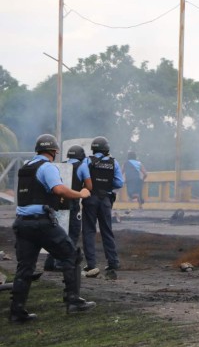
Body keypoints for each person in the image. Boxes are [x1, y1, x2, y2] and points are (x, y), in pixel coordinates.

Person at [10, 134, 96, 322]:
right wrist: (80, 193)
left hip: (22, 223)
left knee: (24, 268)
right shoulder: (47, 167)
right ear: (54, 151)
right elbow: (59, 190)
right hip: (41, 223)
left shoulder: (26, 166)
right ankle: (73, 300)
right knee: (71, 255)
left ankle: (17, 312)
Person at [79, 136, 124, 279]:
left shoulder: (87, 161)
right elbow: (119, 183)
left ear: (93, 149)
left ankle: (91, 264)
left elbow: (80, 177)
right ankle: (113, 262)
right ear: (106, 149)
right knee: (107, 230)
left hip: (90, 199)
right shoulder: (113, 163)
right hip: (105, 199)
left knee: (89, 231)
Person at [44, 145, 89, 272]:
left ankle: (50, 261)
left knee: (58, 232)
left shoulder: (60, 165)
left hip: (58, 203)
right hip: (73, 202)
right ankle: (63, 263)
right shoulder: (82, 166)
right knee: (72, 233)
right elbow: (89, 185)